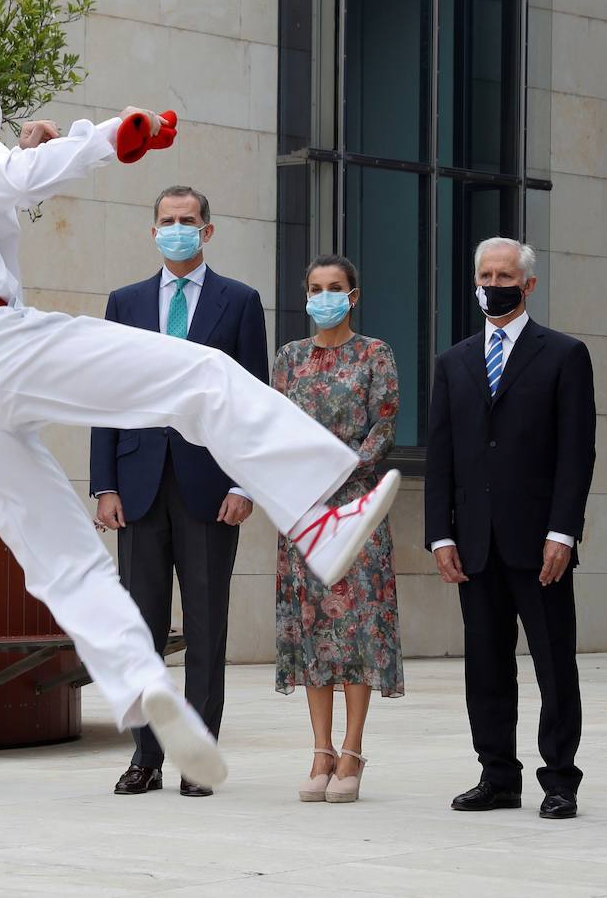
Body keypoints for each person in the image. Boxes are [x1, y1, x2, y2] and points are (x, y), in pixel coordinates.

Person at [0, 49, 398, 788]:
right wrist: (115, 136)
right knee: (199, 376)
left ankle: (139, 683)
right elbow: (14, 182)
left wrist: (17, 153)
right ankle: (314, 513)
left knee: (57, 547)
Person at [90, 185, 267, 799]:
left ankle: (196, 754)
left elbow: (252, 401)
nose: (176, 229)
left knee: (207, 629)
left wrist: (246, 481)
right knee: (138, 631)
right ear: (152, 229)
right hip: (137, 486)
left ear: (207, 231)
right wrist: (104, 482)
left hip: (211, 488)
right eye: (166, 220)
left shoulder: (240, 303)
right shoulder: (126, 302)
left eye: (187, 221)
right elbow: (106, 395)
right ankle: (144, 757)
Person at [425, 237, 596, 821]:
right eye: (484, 274)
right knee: (486, 665)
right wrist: (440, 535)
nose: (493, 283)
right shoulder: (453, 362)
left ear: (528, 285)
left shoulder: (564, 355)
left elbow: (577, 455)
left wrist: (564, 532)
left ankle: (559, 780)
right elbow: (441, 455)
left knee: (553, 663)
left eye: (505, 275)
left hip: (539, 542)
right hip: (474, 543)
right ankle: (498, 775)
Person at [273, 255, 401, 805]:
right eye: (316, 288)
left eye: (336, 287)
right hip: (302, 508)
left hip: (356, 507)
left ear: (353, 295)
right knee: (313, 632)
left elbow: (385, 424)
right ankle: (320, 751)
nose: (325, 295)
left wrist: (340, 468)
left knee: (357, 630)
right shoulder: (288, 358)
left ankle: (352, 750)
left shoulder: (375, 354)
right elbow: (272, 426)